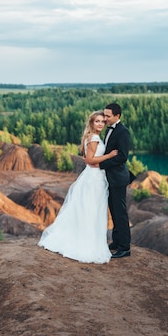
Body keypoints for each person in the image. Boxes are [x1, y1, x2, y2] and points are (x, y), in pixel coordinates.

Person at [37, 110, 118, 264]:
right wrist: (109, 156)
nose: (100, 123)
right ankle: (87, 245)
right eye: (97, 121)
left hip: (94, 177)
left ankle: (87, 241)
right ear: (92, 123)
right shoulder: (93, 138)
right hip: (93, 179)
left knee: (89, 210)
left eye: (102, 121)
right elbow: (89, 160)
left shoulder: (93, 137)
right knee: (90, 211)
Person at [99, 102, 132, 258]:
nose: (105, 118)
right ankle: (117, 241)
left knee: (120, 213)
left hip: (118, 178)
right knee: (113, 210)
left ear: (117, 116)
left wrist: (102, 163)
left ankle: (125, 247)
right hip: (110, 178)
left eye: (108, 116)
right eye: (104, 115)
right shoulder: (109, 130)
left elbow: (122, 157)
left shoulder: (122, 132)